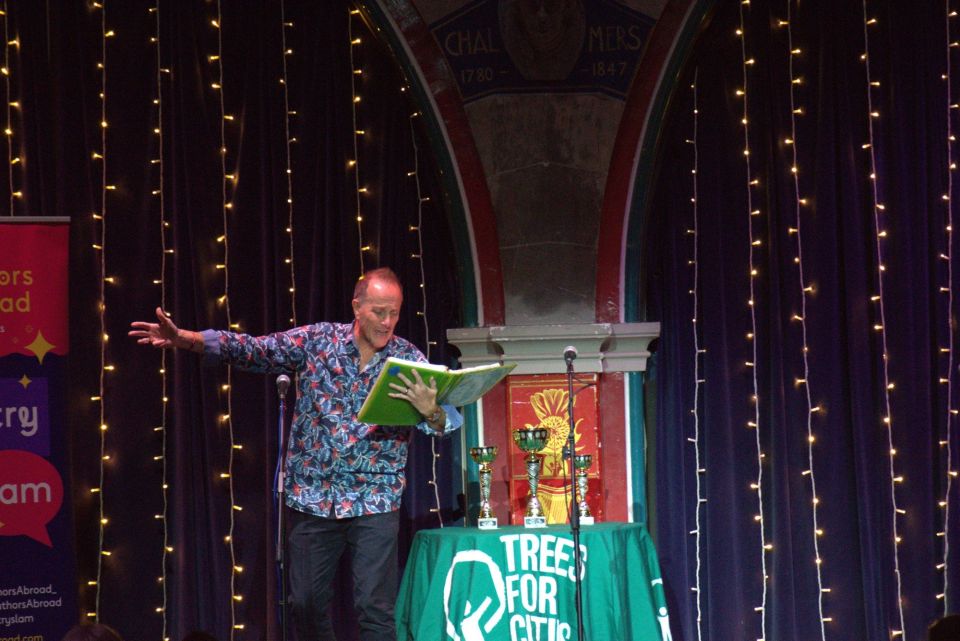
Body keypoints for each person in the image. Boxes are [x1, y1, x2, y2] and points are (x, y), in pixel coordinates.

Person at [129, 267, 462, 641]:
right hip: (312, 499)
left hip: (375, 499)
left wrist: (430, 410)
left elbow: (447, 422)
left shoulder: (406, 359)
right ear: (357, 306)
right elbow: (254, 350)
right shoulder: (318, 341)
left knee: (374, 608)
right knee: (303, 603)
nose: (388, 322)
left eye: (395, 312)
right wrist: (187, 339)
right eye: (379, 312)